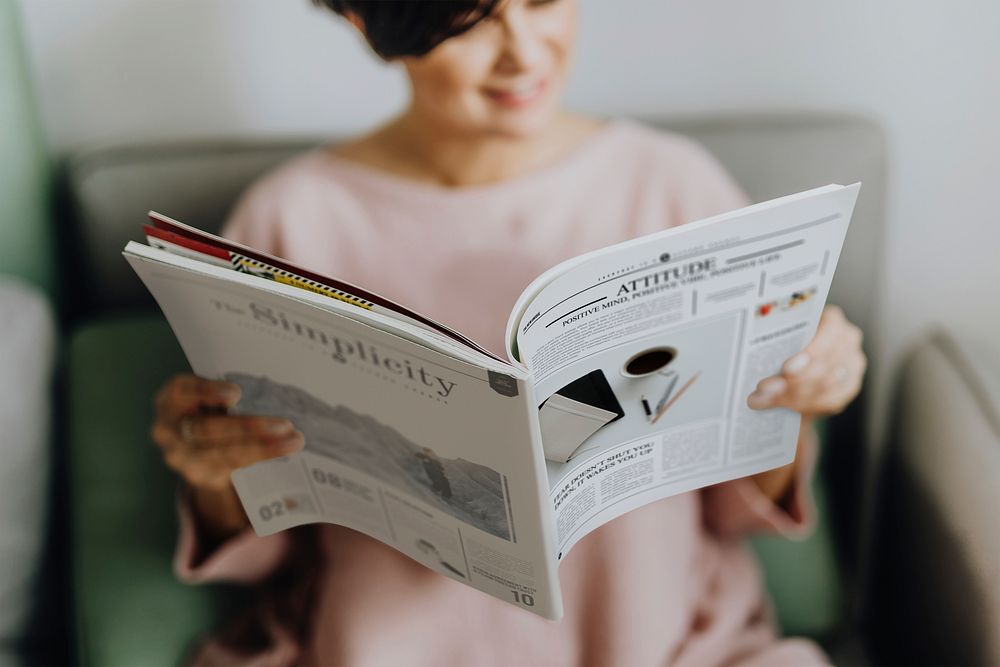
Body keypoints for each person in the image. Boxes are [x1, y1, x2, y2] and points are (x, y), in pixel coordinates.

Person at [150, 0, 867, 664]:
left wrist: (794, 393)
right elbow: (271, 540)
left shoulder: (671, 184)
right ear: (372, 20)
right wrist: (213, 473)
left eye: (544, 0)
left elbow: (741, 500)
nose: (525, 52)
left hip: (670, 645)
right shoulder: (291, 219)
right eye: (475, 19)